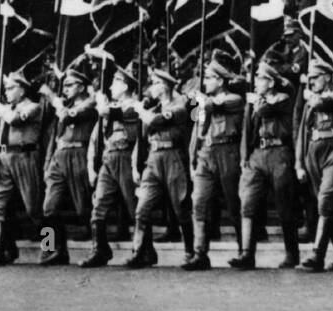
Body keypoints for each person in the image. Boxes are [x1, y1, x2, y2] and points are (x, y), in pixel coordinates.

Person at [234, 59, 299, 269]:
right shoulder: (254, 101)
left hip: (279, 152)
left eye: (260, 78)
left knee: (284, 205)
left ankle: (292, 253)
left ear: (271, 82)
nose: (256, 81)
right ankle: (246, 253)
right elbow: (246, 129)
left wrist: (256, 102)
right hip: (257, 154)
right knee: (248, 202)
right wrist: (245, 156)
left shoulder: (283, 98)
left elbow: (264, 111)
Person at [124, 67, 192, 268]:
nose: (150, 88)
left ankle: (190, 251)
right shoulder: (151, 110)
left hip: (173, 157)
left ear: (164, 86)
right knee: (142, 207)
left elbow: (155, 121)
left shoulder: (178, 107)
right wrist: (136, 165)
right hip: (153, 159)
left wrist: (139, 109)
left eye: (154, 83)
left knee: (181, 207)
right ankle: (141, 251)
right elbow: (141, 139)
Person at [183, 54, 244, 271]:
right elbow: (194, 125)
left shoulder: (233, 99)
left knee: (234, 202)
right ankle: (200, 253)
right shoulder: (205, 101)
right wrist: (192, 158)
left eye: (209, 78)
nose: (206, 81)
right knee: (199, 201)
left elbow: (210, 106)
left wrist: (199, 99)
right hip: (206, 152)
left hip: (227, 151)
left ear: (220, 80)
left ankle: (244, 250)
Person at [0, 71, 43, 267]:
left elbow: (16, 119)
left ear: (22, 90)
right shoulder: (3, 111)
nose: (6, 92)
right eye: (5, 88)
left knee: (35, 207)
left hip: (25, 156)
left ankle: (51, 247)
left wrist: (0, 108)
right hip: (4, 158)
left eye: (11, 88)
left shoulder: (33, 107)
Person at [82, 64, 142, 268]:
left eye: (116, 81)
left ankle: (143, 249)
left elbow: (110, 112)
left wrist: (100, 102)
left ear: (126, 86)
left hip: (126, 157)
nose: (111, 85)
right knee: (96, 207)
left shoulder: (133, 105)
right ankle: (53, 248)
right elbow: (95, 138)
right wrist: (92, 165)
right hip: (108, 159)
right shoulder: (110, 108)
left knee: (135, 208)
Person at [38, 67, 99, 266]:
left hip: (79, 155)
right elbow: (55, 137)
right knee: (49, 208)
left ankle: (98, 249)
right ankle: (50, 249)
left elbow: (67, 116)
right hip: (60, 155)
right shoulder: (65, 105)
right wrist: (48, 164)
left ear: (81, 86)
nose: (65, 89)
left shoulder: (89, 103)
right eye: (64, 86)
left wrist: (53, 97)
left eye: (70, 85)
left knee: (84, 209)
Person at [295, 58, 333, 272]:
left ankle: (317, 254)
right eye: (309, 79)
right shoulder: (311, 99)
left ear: (327, 77)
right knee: (330, 208)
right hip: (314, 153)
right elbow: (302, 132)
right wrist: (299, 163)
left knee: (327, 202)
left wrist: (314, 98)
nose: (311, 82)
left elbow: (326, 102)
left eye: (315, 78)